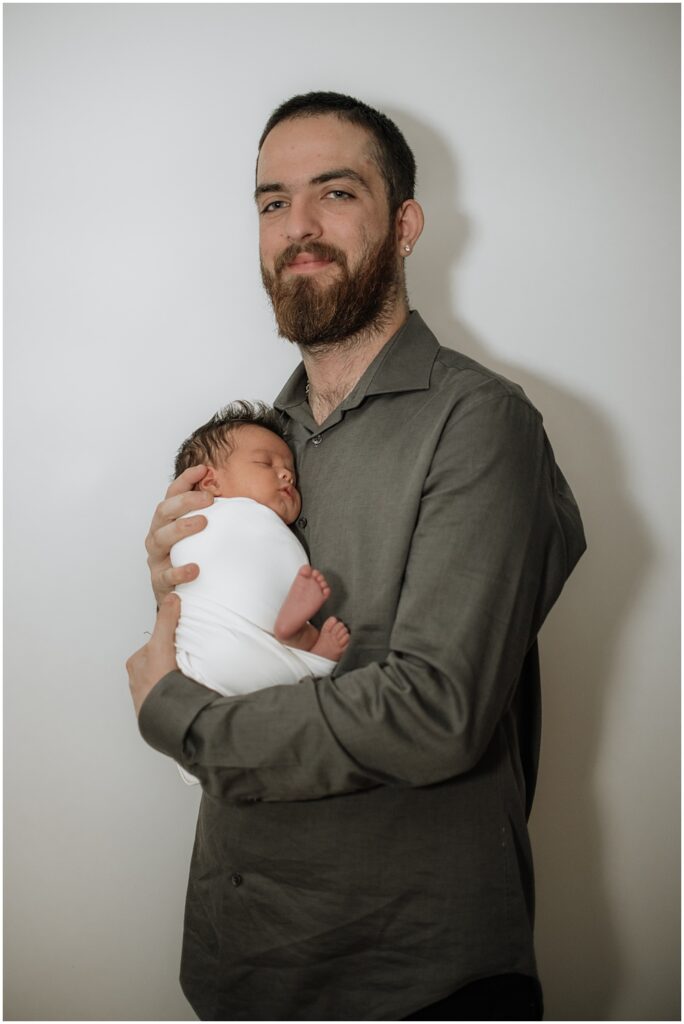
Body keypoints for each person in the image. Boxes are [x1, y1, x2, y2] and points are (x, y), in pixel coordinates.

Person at [126, 91, 586, 1021]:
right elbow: (219, 638)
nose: (297, 227)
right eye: (271, 202)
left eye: (335, 193)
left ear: (405, 224)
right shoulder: (253, 444)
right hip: (239, 961)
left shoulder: (480, 423)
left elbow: (436, 711)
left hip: (410, 976)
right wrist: (177, 591)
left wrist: (185, 720)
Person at [169, 400, 350, 786]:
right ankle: (299, 636)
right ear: (209, 482)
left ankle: (300, 638)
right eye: (266, 464)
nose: (286, 473)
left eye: (291, 471)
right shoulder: (203, 517)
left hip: (240, 680)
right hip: (213, 658)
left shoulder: (269, 529)